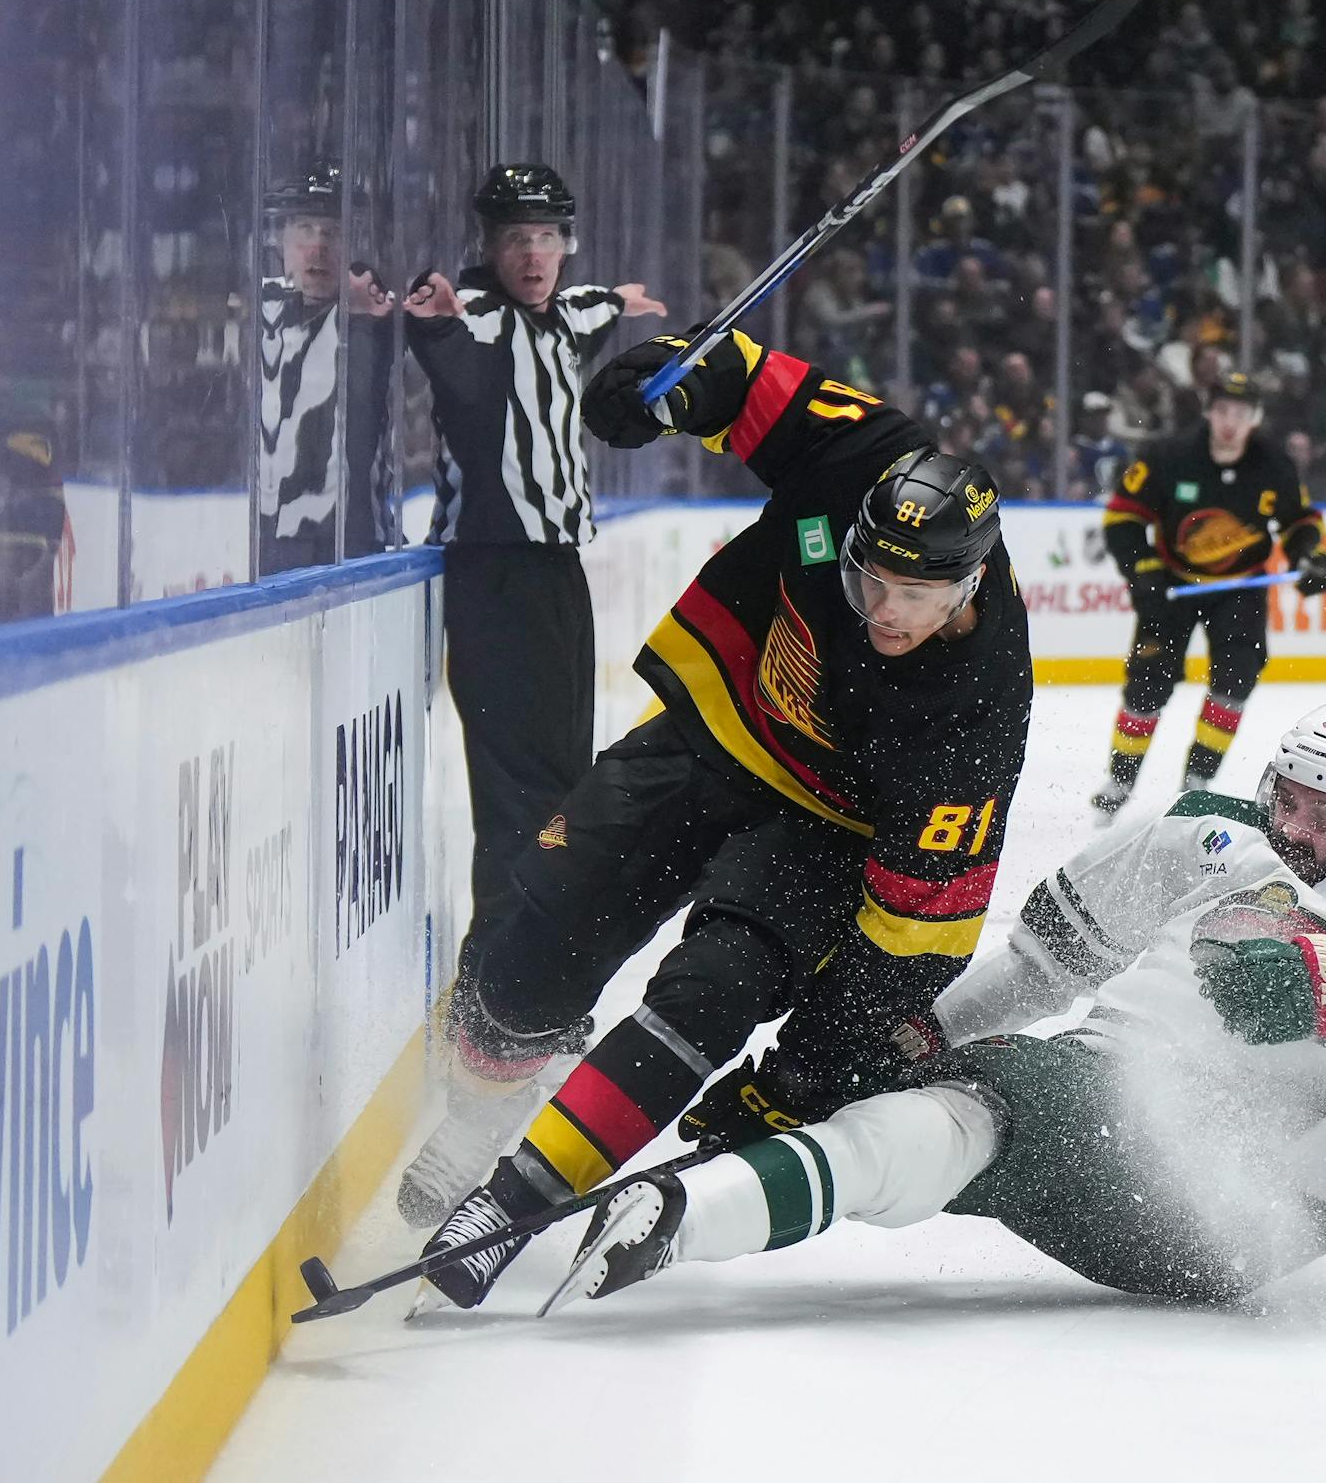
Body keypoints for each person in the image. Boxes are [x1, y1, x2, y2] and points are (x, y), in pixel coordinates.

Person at [548, 703, 1326, 1348]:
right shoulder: (1204, 835)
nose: (1295, 824)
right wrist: (919, 1035)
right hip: (1106, 1128)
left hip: (1261, 1202)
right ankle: (680, 1216)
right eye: (1289, 794)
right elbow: (1043, 966)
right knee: (972, 1107)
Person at [407, 328, 1035, 1311]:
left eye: (915, 596)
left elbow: (916, 936)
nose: (884, 611)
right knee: (542, 918)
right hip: (716, 730)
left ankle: (509, 1203)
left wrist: (801, 1072)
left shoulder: (978, 706)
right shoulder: (869, 451)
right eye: (870, 576)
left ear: (969, 587)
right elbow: (739, 373)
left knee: (711, 989)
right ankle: (488, 1100)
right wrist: (655, 386)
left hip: (825, 827)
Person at [403, 164, 668, 988]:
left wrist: (622, 301)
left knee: (564, 784)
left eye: (547, 237)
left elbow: (587, 307)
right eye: (516, 238)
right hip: (493, 575)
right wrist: (432, 325)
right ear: (488, 246)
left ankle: (535, 969)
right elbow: (464, 383)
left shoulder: (564, 315)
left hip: (559, 571)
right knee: (515, 795)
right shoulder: (472, 319)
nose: (533, 254)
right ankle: (494, 982)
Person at [1091, 372, 1326, 819]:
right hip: (1172, 586)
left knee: (1234, 681)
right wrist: (1142, 571)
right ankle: (1120, 779)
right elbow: (1122, 518)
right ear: (1208, 411)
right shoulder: (1169, 455)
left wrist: (1310, 559)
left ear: (1254, 417)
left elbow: (1300, 522)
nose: (1229, 423)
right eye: (1222, 411)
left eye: (1240, 414)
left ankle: (1197, 780)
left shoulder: (1274, 463)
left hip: (1239, 589)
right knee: (1147, 683)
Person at [256, 161, 398, 575]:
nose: (317, 247)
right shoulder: (257, 316)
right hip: (271, 548)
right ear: (278, 240)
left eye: (332, 233)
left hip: (352, 548)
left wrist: (365, 317)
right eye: (304, 230)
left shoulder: (375, 320)